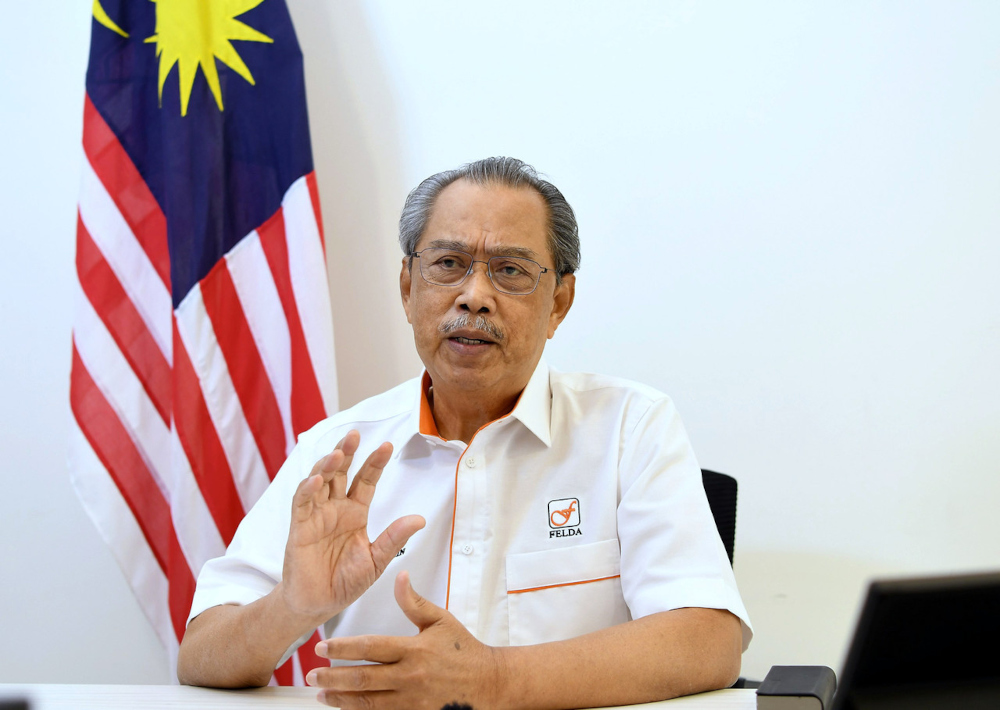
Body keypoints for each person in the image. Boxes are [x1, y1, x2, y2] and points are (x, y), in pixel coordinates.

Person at [177, 157, 752, 709]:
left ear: (559, 302)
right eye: (448, 263)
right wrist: (291, 606)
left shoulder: (630, 427)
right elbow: (201, 655)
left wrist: (493, 681)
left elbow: (707, 639)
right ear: (408, 287)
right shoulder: (338, 451)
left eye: (510, 270)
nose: (474, 294)